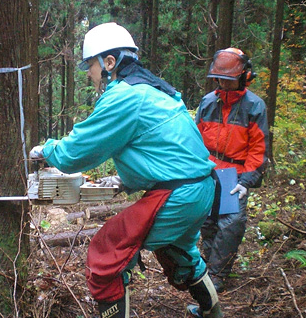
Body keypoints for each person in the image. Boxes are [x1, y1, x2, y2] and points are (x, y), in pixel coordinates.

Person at [30, 22, 223, 318]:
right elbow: (165, 151)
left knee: (108, 251)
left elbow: (79, 151)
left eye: (90, 66)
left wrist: (47, 150)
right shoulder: (157, 90)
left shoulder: (125, 96)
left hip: (179, 194)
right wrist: (124, 180)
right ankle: (212, 311)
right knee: (180, 251)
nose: (89, 75)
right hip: (201, 188)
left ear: (109, 62)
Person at [194, 48, 269, 294]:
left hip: (235, 174)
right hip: (208, 171)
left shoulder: (254, 107)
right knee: (207, 223)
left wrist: (247, 180)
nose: (224, 85)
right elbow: (194, 140)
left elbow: (259, 149)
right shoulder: (208, 102)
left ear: (244, 76)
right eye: (221, 79)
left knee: (230, 226)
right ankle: (206, 266)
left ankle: (216, 275)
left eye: (229, 79)